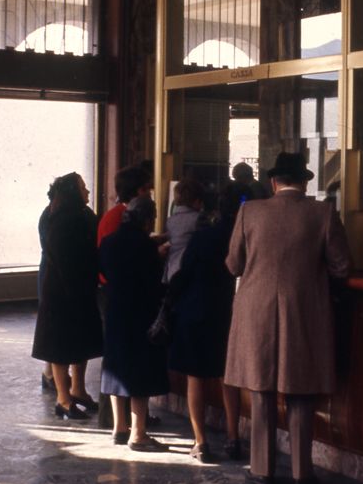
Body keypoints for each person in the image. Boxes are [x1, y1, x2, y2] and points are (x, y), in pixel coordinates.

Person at [225, 151, 351, 484]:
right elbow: (341, 266)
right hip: (304, 311)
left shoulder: (250, 211)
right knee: (301, 391)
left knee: (261, 390)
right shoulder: (323, 213)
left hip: (255, 311)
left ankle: (262, 472)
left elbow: (233, 264)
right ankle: (302, 475)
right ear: (305, 182)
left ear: (273, 182)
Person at [166, 187, 243, 463]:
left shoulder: (203, 237)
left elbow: (185, 271)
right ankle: (234, 438)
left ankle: (201, 442)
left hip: (197, 309)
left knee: (195, 378)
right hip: (228, 312)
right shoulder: (242, 236)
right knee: (228, 377)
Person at [99, 196, 171, 451]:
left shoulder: (109, 242)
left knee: (116, 366)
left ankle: (119, 428)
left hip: (115, 309)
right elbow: (154, 282)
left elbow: (104, 271)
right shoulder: (145, 247)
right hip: (140, 313)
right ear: (147, 220)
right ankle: (138, 433)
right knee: (140, 370)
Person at [31, 172, 103, 420]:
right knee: (60, 345)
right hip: (63, 290)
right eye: (83, 188)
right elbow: (63, 257)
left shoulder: (81, 214)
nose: (87, 191)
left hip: (78, 287)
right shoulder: (59, 218)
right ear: (72, 192)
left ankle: (78, 390)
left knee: (79, 342)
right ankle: (63, 398)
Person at [162, 177, 204, 283]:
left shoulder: (171, 220)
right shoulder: (198, 219)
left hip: (171, 271)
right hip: (189, 271)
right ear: (197, 201)